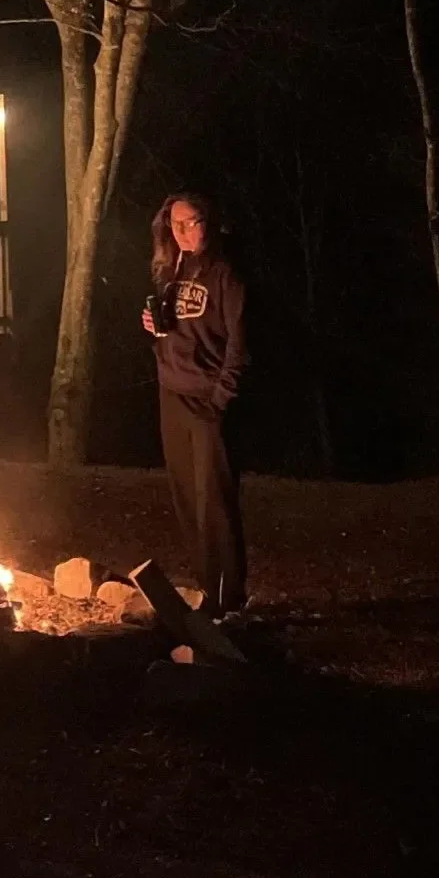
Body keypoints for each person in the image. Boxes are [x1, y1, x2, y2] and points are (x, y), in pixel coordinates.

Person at [141, 192, 248, 616]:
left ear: (210, 222)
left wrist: (220, 401)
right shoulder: (173, 270)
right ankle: (207, 591)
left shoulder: (227, 275)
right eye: (176, 224)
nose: (183, 232)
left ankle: (229, 598)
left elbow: (240, 347)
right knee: (187, 497)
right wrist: (154, 329)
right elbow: (177, 332)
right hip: (172, 393)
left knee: (215, 503)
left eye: (192, 222)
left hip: (207, 399)